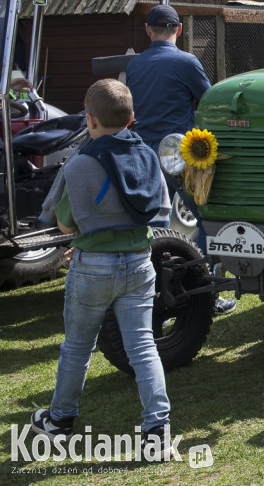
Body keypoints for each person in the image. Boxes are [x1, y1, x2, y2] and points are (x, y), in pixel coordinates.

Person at [30, 79, 174, 457]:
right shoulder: (147, 154)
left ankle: (60, 421)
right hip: (140, 264)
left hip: (92, 265)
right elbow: (159, 211)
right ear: (131, 118)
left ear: (89, 121)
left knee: (77, 347)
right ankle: (157, 429)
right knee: (143, 347)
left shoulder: (79, 163)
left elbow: (64, 225)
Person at [126, 5, 234, 314]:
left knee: (151, 226)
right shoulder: (187, 61)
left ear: (148, 30)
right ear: (180, 29)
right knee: (205, 220)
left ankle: (144, 295)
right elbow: (210, 99)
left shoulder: (135, 66)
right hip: (181, 156)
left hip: (146, 156)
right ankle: (206, 293)